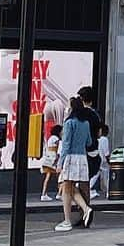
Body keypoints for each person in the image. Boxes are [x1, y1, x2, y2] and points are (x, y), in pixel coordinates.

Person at [55, 97, 94, 233]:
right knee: (70, 188)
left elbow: (66, 145)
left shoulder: (69, 123)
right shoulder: (86, 124)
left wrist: (60, 163)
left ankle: (67, 220)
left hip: (70, 157)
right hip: (82, 158)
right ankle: (85, 208)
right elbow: (89, 142)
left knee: (66, 188)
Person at [76, 86, 102, 207]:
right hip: (93, 151)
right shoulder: (95, 115)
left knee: (68, 184)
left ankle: (84, 209)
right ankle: (85, 208)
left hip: (79, 151)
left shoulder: (77, 115)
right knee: (85, 182)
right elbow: (99, 134)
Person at [40, 123, 61, 202]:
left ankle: (44, 193)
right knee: (58, 176)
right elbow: (57, 149)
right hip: (52, 159)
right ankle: (58, 193)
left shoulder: (50, 138)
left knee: (48, 177)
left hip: (48, 158)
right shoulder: (56, 139)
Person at [94, 123, 111, 198]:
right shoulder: (105, 139)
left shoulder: (98, 139)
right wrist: (109, 161)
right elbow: (106, 152)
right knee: (107, 177)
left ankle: (89, 187)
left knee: (95, 175)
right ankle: (108, 191)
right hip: (104, 161)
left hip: (98, 159)